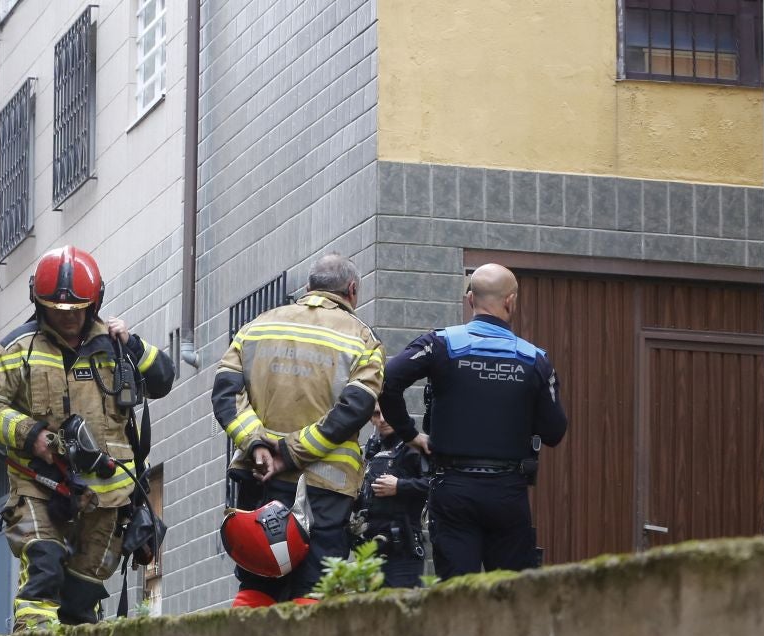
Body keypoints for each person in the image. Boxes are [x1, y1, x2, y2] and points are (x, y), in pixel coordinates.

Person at [0, 244, 174, 631]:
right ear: (39, 304)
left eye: (77, 309)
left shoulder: (116, 345)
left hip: (108, 498)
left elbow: (163, 377)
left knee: (82, 598)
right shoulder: (18, 348)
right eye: (58, 310)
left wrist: (132, 343)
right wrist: (32, 436)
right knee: (43, 565)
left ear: (94, 303)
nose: (68, 318)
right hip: (41, 486)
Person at [211, 252, 386, 607]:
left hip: (260, 477)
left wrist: (257, 444)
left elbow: (226, 393)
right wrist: (290, 454)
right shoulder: (364, 340)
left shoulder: (256, 326)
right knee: (316, 588)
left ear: (308, 288)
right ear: (352, 290)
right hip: (327, 486)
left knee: (258, 580)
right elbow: (352, 412)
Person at [377, 262, 569, 579]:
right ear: (511, 302)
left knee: (456, 593)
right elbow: (554, 432)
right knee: (508, 594)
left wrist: (410, 434)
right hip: (508, 491)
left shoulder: (439, 344)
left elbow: (388, 382)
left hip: (453, 489)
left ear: (470, 301)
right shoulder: (535, 358)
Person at [358, 411, 433, 588]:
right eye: (377, 414)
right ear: (370, 418)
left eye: (387, 412)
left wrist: (400, 486)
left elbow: (437, 484)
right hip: (371, 550)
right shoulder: (373, 448)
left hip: (403, 549)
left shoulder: (414, 445)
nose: (383, 419)